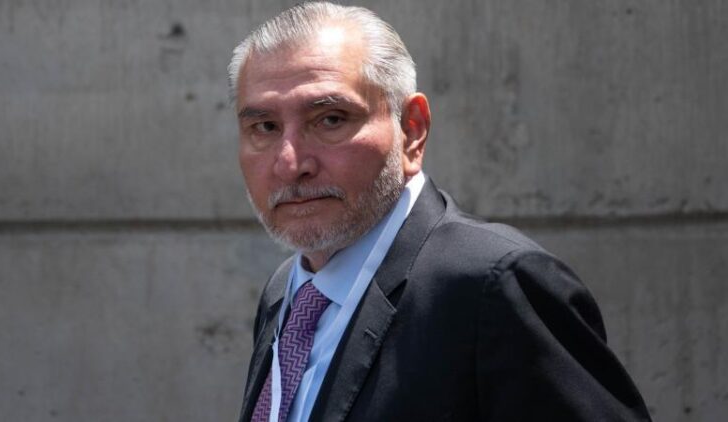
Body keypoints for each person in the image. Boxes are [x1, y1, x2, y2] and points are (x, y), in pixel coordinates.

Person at [229, 2, 651, 421]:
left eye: (330, 119)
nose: (290, 164)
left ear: (411, 130)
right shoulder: (288, 291)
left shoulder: (495, 288)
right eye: (265, 127)